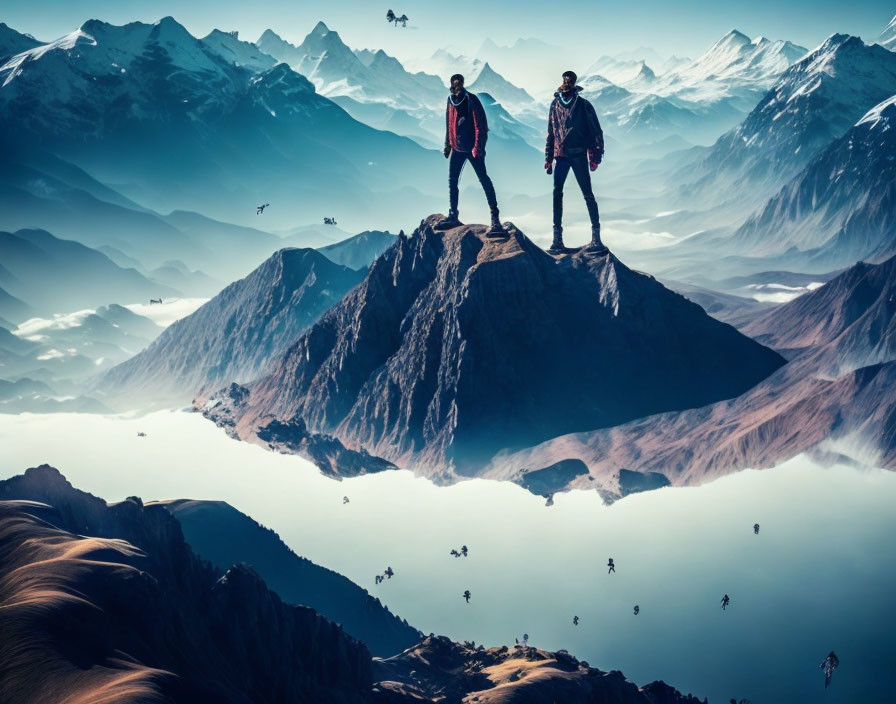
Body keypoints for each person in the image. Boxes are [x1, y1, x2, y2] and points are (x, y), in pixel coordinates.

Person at [435, 74, 505, 236]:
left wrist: (478, 147)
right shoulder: (450, 100)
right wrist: (447, 145)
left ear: (462, 83)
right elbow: (449, 123)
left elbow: (481, 125)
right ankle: (453, 214)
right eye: (454, 83)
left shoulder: (471, 99)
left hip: (473, 149)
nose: (456, 85)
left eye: (458, 83)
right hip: (457, 148)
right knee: (452, 181)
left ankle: (495, 219)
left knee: (484, 179)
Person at [544, 70, 605, 255]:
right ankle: (557, 240)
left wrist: (595, 157)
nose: (567, 83)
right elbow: (551, 132)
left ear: (574, 83)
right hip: (561, 155)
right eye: (565, 80)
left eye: (569, 81)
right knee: (558, 194)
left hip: (577, 154)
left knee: (586, 194)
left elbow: (596, 132)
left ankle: (596, 239)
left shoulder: (584, 105)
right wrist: (548, 158)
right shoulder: (555, 104)